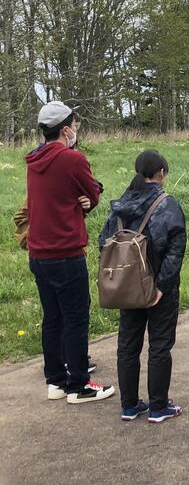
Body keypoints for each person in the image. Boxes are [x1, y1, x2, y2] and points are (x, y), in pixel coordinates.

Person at [26, 101, 114, 403]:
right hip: (65, 250)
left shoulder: (34, 159)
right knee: (76, 318)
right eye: (75, 125)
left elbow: (61, 196)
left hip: (39, 252)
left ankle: (56, 381)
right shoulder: (72, 159)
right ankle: (79, 384)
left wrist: (78, 200)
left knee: (53, 318)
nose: (77, 130)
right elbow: (92, 193)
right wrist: (88, 197)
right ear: (65, 129)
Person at [99, 150, 186, 423]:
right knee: (159, 345)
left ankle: (129, 405)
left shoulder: (120, 206)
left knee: (127, 345)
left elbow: (104, 243)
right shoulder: (166, 204)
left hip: (125, 286)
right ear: (161, 173)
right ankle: (159, 407)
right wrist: (162, 286)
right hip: (159, 288)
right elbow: (175, 248)